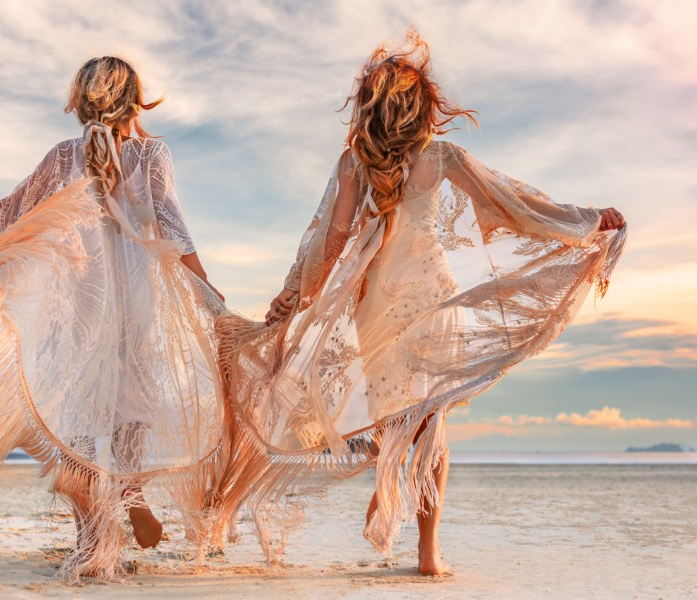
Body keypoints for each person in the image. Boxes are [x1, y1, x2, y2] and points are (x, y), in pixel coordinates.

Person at [214, 32, 626, 576]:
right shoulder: (440, 156)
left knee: (391, 414)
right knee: (430, 423)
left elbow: (331, 240)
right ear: (419, 106)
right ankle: (427, 553)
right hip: (433, 297)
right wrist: (586, 220)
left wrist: (297, 293)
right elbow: (514, 206)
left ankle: (391, 479)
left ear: (370, 108)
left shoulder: (352, 163)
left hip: (376, 304)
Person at [0, 56, 226, 579]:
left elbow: (9, 210)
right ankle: (130, 492)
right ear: (137, 102)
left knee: (78, 409)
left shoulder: (62, 156)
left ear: (78, 102)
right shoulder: (151, 154)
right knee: (130, 402)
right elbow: (172, 226)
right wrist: (207, 290)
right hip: (136, 298)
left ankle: (89, 542)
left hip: (79, 298)